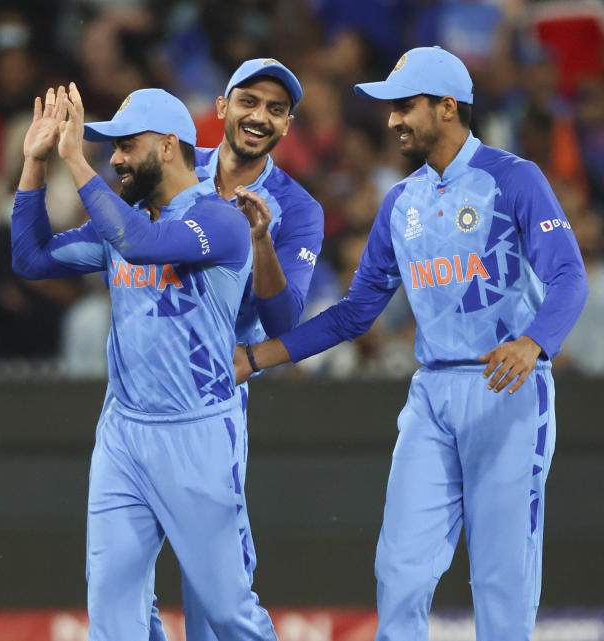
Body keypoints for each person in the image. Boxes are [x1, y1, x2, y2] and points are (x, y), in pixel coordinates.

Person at [239, 46, 588, 640]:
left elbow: (569, 278)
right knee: (399, 571)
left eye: (405, 107)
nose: (393, 120)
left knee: (502, 582)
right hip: (432, 396)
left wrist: (533, 343)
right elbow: (354, 314)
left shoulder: (514, 178)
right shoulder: (402, 203)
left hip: (507, 391)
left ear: (448, 107)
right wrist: (255, 357)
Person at [11, 84, 277, 640]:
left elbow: (143, 245)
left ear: (169, 145)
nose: (115, 158)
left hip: (198, 434)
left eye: (127, 145)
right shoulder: (120, 220)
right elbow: (30, 259)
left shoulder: (221, 220)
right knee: (114, 618)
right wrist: (35, 164)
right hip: (123, 435)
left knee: (227, 612)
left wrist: (74, 159)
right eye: (110, 148)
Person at [149, 58, 325, 641]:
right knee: (120, 573)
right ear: (221, 108)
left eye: (276, 109)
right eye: (249, 101)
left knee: (215, 587)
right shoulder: (173, 169)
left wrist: (260, 241)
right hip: (140, 389)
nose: (260, 116)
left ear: (287, 126)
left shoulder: (297, 209)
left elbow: (284, 318)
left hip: (212, 396)